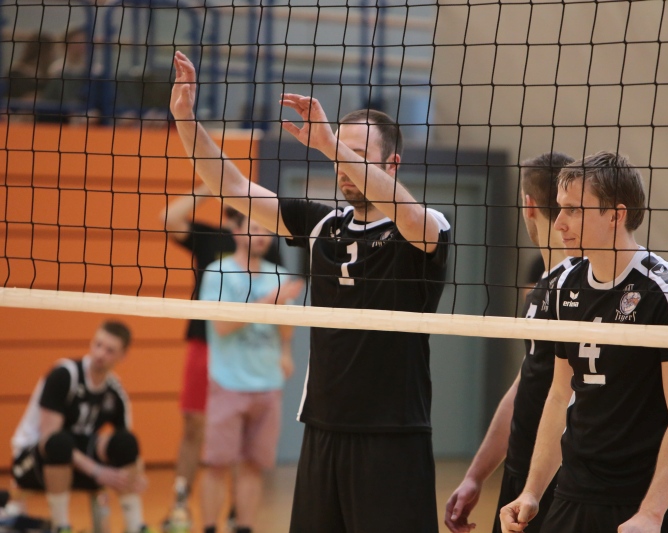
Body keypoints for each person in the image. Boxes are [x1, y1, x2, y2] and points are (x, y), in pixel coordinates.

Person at [170, 50, 450, 533]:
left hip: (392, 432)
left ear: (393, 164)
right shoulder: (322, 225)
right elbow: (231, 186)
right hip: (323, 426)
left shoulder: (423, 226)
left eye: (358, 154)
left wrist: (330, 145)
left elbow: (409, 216)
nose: (344, 164)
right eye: (342, 152)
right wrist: (185, 119)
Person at [500, 151, 668, 533]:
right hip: (575, 494)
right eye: (559, 208)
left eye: (573, 210)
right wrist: (532, 491)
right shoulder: (564, 285)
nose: (559, 223)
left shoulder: (667, 293)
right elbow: (559, 395)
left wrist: (651, 513)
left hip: (647, 502)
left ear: (615, 215)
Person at [444, 151, 578, 533]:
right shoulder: (543, 287)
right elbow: (526, 383)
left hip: (565, 480)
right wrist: (476, 475)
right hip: (522, 475)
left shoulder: (584, 288)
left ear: (528, 205)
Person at [159, 184, 282, 531]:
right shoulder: (210, 238)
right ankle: (180, 504)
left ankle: (236, 512)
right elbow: (168, 219)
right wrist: (210, 185)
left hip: (249, 352)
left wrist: (283, 352)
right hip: (206, 342)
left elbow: (282, 303)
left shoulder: (269, 247)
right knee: (194, 425)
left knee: (242, 438)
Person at [198, 210, 302, 533]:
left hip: (268, 382)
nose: (261, 235)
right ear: (237, 232)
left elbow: (285, 328)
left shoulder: (279, 274)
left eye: (265, 229)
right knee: (216, 465)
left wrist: (286, 351)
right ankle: (210, 527)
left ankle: (244, 527)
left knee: (254, 466)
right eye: (254, 228)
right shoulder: (218, 272)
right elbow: (222, 326)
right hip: (228, 381)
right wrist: (270, 301)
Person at [10, 321, 152, 533]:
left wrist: (137, 475)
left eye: (110, 350)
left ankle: (136, 526)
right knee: (59, 442)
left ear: (123, 356)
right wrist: (97, 471)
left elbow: (128, 446)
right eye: (98, 345)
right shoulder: (64, 375)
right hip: (31, 463)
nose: (100, 354)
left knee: (125, 443)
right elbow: (49, 437)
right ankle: (61, 526)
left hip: (79, 466)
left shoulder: (115, 391)